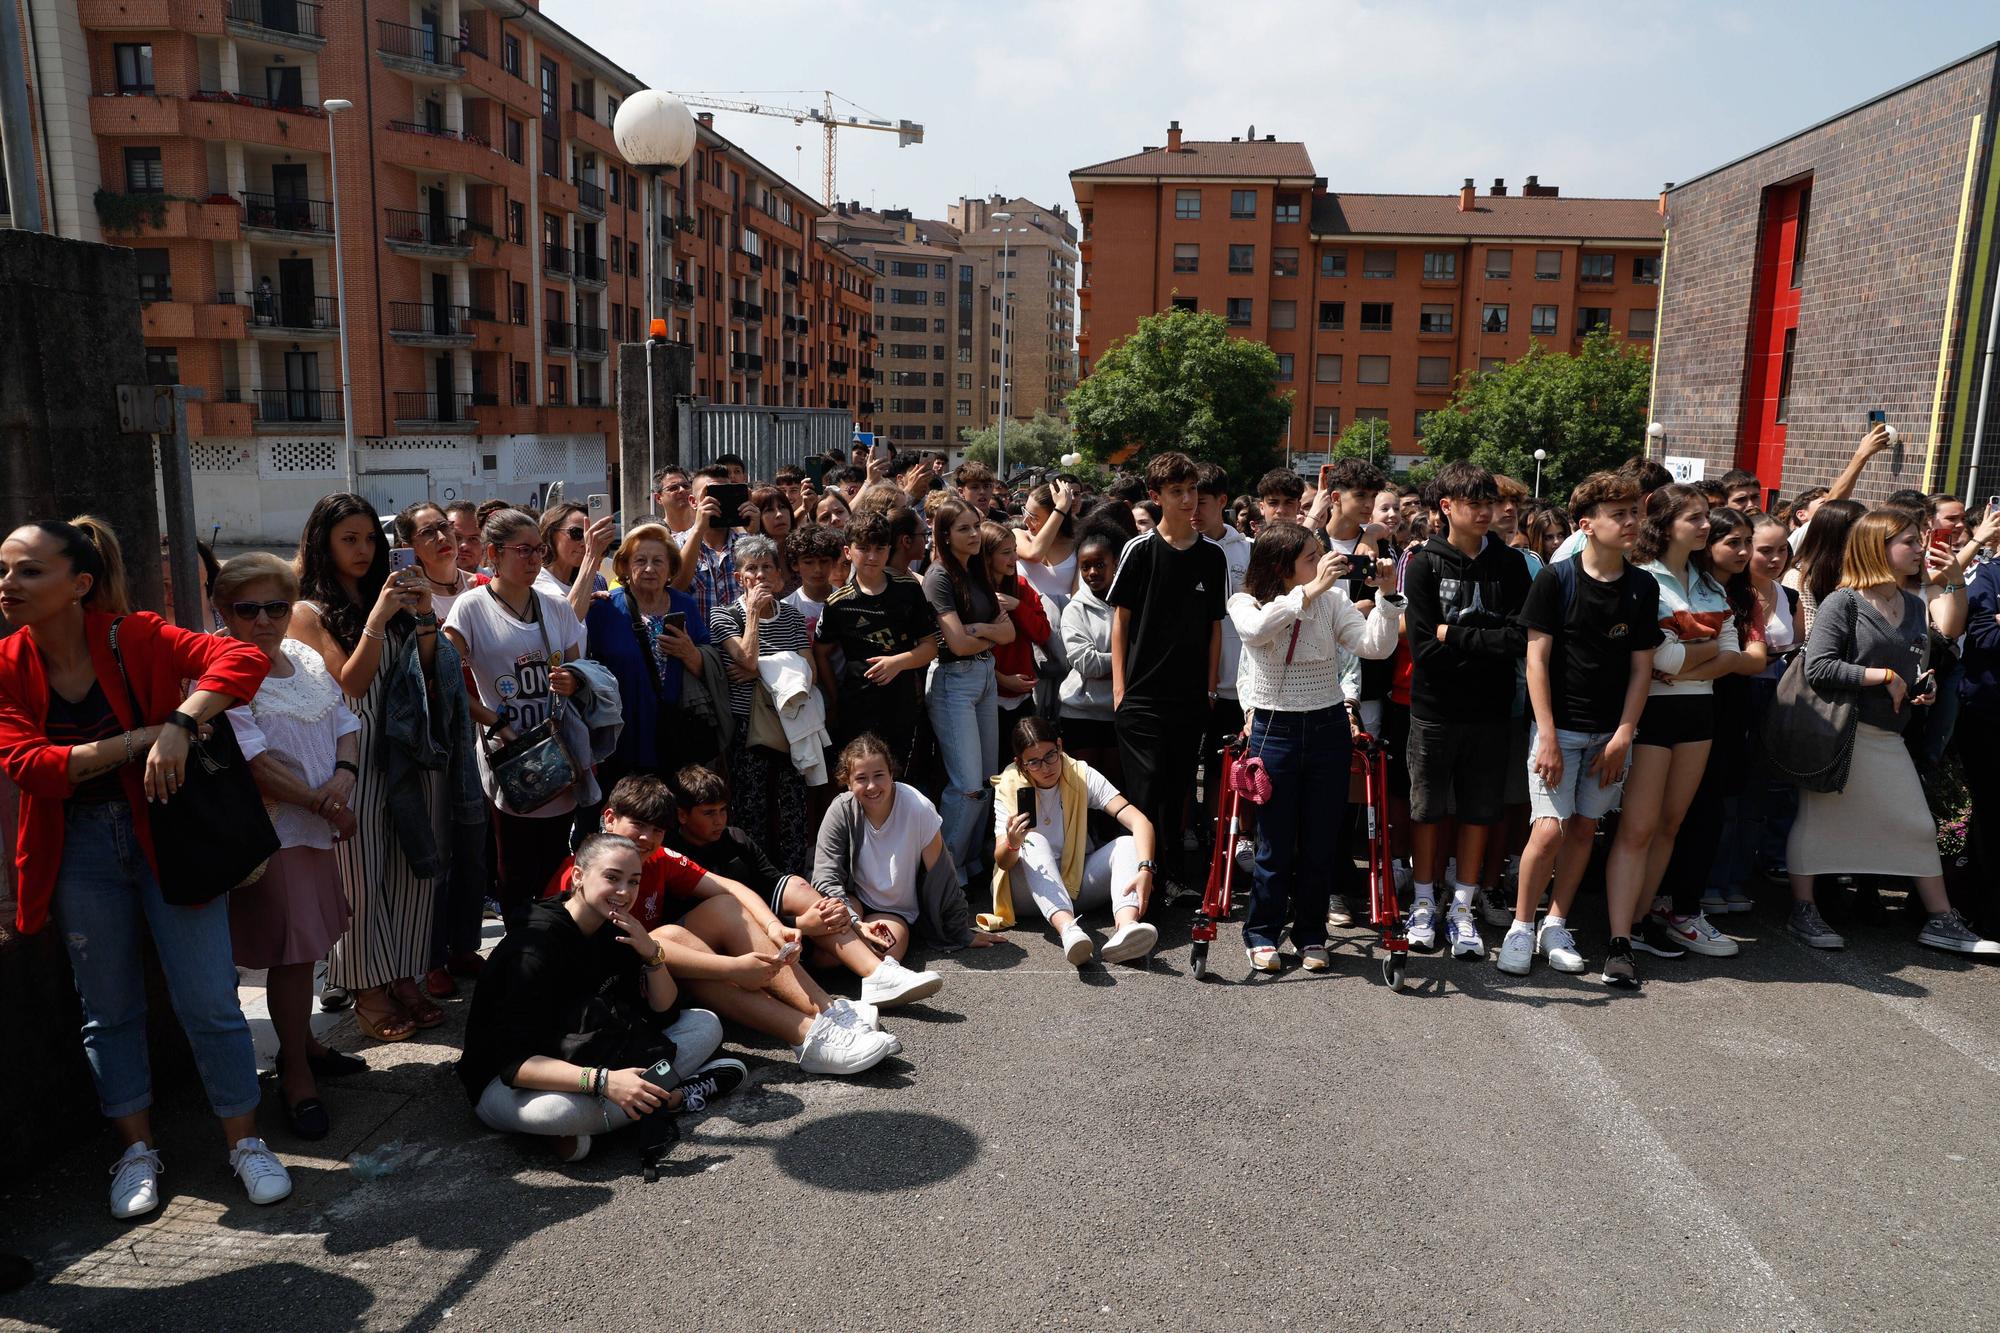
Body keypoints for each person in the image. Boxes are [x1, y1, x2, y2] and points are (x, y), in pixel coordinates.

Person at [0, 519, 289, 1217]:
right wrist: (141, 738)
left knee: (209, 1000)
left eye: (27, 571)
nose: (8, 585)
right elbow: (28, 764)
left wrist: (183, 722)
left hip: (167, 835)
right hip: (77, 851)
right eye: (4, 571)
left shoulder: (134, 634)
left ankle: (244, 1141)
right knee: (107, 1008)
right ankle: (135, 1149)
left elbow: (240, 658)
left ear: (80, 585)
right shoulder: (7, 660)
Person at [545, 774, 899, 1074]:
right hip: (615, 995)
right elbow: (623, 953)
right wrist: (733, 967)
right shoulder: (582, 876)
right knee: (671, 940)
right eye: (637, 825)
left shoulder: (657, 856)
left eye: (657, 830)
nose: (647, 838)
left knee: (724, 908)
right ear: (609, 819)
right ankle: (808, 1036)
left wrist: (774, 928)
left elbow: (729, 888)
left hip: (652, 972)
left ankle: (827, 1011)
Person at [458, 833, 741, 1165]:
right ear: (578, 876)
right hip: (514, 1083)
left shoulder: (614, 929)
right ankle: (671, 1097)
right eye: (612, 878)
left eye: (633, 881)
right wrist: (604, 1082)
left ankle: (618, 1113)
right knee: (556, 1113)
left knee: (704, 1024)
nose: (624, 892)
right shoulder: (532, 949)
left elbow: (664, 1015)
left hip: (596, 1054)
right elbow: (514, 1065)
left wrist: (652, 954)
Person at [1786, 512, 1996, 954]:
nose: (1921, 549)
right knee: (1819, 823)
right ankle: (1803, 911)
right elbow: (1818, 666)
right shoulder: (1843, 601)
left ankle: (1941, 920)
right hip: (1840, 732)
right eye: (1908, 542)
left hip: (1888, 735)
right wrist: (1881, 676)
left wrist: (1925, 685)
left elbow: (1919, 662)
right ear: (1876, 548)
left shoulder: (1914, 603)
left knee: (1918, 826)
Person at [290, 493, 455, 1038]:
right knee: (359, 877)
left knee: (412, 868)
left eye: (369, 539)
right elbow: (352, 684)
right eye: (349, 539)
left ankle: (404, 975)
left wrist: (425, 615)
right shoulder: (306, 613)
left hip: (407, 749)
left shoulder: (395, 592)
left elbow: (429, 670)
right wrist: (381, 617)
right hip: (353, 754)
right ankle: (366, 985)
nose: (363, 550)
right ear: (323, 544)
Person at [215, 554, 362, 1141]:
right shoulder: (221, 670)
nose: (264, 619)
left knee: (306, 946)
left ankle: (305, 1046)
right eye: (246, 609)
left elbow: (345, 722)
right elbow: (254, 763)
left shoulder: (300, 656)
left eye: (276, 606)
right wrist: (326, 803)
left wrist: (343, 778)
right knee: (292, 954)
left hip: (316, 828)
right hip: (271, 836)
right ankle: (295, 1073)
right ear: (222, 612)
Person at [1496, 473, 1662, 981]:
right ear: (1587, 524)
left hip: (1609, 734)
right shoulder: (1556, 578)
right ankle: (1521, 927)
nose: (1632, 522)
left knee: (1586, 828)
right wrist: (1545, 734)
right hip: (1559, 731)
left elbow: (1641, 669)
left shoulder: (1642, 586)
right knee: (1548, 831)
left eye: (1635, 511)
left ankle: (1556, 923)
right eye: (1619, 514)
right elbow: (1536, 662)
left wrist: (1623, 735)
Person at [1600, 484, 1759, 978]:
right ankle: (1618, 939)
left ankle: (1644, 921)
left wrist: (1685, 656)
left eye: (1706, 516)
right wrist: (1701, 649)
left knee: (1670, 826)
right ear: (1667, 524)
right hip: (1652, 714)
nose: (1706, 525)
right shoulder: (1643, 579)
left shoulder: (1710, 584)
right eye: (1695, 518)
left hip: (1698, 714)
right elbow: (1659, 660)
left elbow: (1725, 656)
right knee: (1638, 828)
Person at [1227, 522, 1402, 971]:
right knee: (1275, 841)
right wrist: (1308, 592)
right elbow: (1255, 631)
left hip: (1327, 727)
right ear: (1283, 565)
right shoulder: (1245, 601)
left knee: (1321, 840)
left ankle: (1310, 934)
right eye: (1311, 557)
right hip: (1273, 728)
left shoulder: (1333, 600)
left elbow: (1375, 648)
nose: (1323, 562)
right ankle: (1262, 933)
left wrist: (1386, 597)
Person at [1400, 462, 1532, 959]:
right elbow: (1422, 649)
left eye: (1489, 502)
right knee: (1428, 809)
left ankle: (1462, 907)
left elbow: (1520, 638)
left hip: (1494, 711)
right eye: (1473, 502)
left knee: (1481, 811)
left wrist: (1454, 634)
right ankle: (1423, 901)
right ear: (1446, 508)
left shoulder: (1512, 564)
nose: (1486, 511)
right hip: (1434, 710)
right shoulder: (1424, 564)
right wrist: (1484, 645)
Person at [442, 507, 589, 934]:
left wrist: (573, 681)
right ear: (493, 553)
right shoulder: (471, 607)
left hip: (558, 751)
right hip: (509, 757)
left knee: (557, 861)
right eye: (522, 550)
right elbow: (447, 678)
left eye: (539, 550)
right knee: (514, 868)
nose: (534, 560)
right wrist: (495, 722)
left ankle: (547, 946)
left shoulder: (556, 606)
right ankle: (519, 951)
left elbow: (582, 671)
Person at [1110, 452, 1226, 888]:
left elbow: (1215, 627)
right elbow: (1120, 622)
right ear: (1156, 497)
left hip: (1191, 696)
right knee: (1145, 789)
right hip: (1140, 696)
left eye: (1192, 489)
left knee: (1179, 788)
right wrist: (1120, 689)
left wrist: (1210, 687)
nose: (1188, 499)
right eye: (1177, 491)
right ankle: (1141, 875)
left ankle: (1174, 874)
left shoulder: (1212, 556)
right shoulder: (1138, 549)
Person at [812, 734, 992, 987]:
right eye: (861, 779)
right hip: (853, 902)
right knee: (821, 959)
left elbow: (942, 874)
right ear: (848, 782)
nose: (872, 786)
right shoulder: (841, 810)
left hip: (894, 912)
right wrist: (853, 921)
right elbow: (825, 875)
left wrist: (959, 930)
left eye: (879, 775)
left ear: (892, 773)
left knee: (883, 952)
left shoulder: (917, 807)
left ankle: (864, 974)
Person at [985, 716, 1160, 965]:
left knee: (1128, 843)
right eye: (1033, 762)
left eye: (1050, 755)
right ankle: (1069, 931)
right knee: (1034, 839)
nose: (1046, 767)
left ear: (1059, 746)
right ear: (1020, 764)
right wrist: (1013, 842)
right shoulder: (1009, 785)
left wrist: (1146, 869)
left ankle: (1127, 928)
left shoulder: (1079, 773)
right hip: (1024, 892)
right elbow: (1003, 862)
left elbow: (1140, 822)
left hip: (1074, 882)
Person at [711, 533, 817, 872]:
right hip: (747, 729)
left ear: (779, 576)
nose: (760, 576)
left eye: (767, 568)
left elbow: (808, 670)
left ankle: (794, 880)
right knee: (750, 809)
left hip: (791, 725)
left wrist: (761, 674)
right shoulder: (723, 616)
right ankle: (754, 880)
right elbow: (746, 657)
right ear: (738, 577)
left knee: (791, 809)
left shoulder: (791, 617)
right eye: (751, 569)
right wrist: (754, 616)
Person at [923, 497, 1016, 879]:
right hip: (953, 681)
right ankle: (945, 873)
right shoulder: (939, 576)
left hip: (983, 677)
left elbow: (1009, 632)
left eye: (976, 525)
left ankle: (971, 864)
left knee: (987, 781)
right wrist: (987, 636)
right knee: (967, 787)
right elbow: (956, 645)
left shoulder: (976, 570)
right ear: (944, 534)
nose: (975, 534)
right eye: (964, 528)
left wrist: (980, 632)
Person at [583, 524, 712, 791]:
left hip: (676, 733)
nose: (649, 568)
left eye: (658, 561)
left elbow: (707, 669)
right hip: (622, 735)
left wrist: (689, 652)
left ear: (671, 569)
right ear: (625, 567)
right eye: (640, 561)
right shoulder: (604, 608)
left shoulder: (684, 605)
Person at [815, 510, 939, 768]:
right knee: (860, 775)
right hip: (857, 706)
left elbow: (929, 646)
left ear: (889, 549)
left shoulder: (909, 589)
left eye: (880, 548)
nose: (872, 556)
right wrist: (835, 697)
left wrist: (898, 662)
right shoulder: (838, 603)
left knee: (897, 775)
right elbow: (821, 652)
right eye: (863, 548)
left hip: (902, 703)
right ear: (848, 552)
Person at [1058, 519, 1125, 780]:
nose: (1093, 573)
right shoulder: (1075, 609)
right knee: (1083, 793)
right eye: (1085, 567)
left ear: (1115, 564)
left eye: (1100, 565)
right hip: (1081, 713)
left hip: (1118, 714)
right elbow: (1086, 663)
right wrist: (1125, 660)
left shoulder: (1130, 605)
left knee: (1114, 790)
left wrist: (1107, 662)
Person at [981, 521, 1050, 735]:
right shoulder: (976, 592)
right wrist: (1001, 679)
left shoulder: (1021, 587)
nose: (1015, 558)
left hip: (1023, 693)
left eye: (1014, 551)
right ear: (987, 556)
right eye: (1006, 553)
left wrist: (1018, 606)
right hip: (987, 693)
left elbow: (1042, 633)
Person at [396, 501, 481, 619]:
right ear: (409, 548)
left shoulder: (481, 585)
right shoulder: (411, 598)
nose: (442, 537)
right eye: (427, 532)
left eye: (444, 526)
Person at [537, 500, 614, 624]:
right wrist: (592, 554)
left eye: (588, 535)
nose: (585, 543)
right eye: (576, 533)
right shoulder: (538, 581)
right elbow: (568, 624)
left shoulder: (586, 581)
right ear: (551, 534)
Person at [1016, 480, 1082, 608]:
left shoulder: (1077, 546)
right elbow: (1034, 554)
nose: (1025, 520)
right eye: (1025, 511)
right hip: (1024, 621)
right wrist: (1061, 508)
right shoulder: (1018, 535)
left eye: (1033, 517)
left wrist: (1060, 509)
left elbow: (1077, 598)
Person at [783, 523, 843, 635]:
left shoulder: (846, 601)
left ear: (834, 562)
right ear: (795, 564)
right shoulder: (786, 608)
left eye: (824, 561)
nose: (818, 569)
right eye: (808, 562)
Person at [446, 500, 486, 578]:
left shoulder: (496, 585)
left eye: (473, 539)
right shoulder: (423, 585)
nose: (464, 546)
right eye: (456, 537)